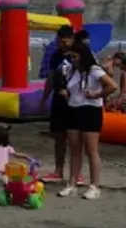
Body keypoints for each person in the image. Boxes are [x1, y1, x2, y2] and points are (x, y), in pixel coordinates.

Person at [58, 42, 118, 199]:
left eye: (75, 56)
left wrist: (96, 95)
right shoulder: (71, 70)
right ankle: (72, 183)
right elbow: (70, 89)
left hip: (91, 110)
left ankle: (94, 186)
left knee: (91, 149)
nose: (73, 59)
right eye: (71, 57)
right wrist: (66, 94)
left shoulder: (94, 70)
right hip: (74, 109)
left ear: (82, 56)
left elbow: (113, 86)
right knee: (74, 148)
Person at [39, 25, 76, 183]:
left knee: (74, 139)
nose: (63, 43)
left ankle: (76, 173)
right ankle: (58, 170)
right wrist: (44, 98)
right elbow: (51, 78)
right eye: (61, 40)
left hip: (74, 101)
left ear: (72, 39)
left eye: (66, 40)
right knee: (58, 136)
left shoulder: (78, 55)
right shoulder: (56, 55)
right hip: (58, 100)